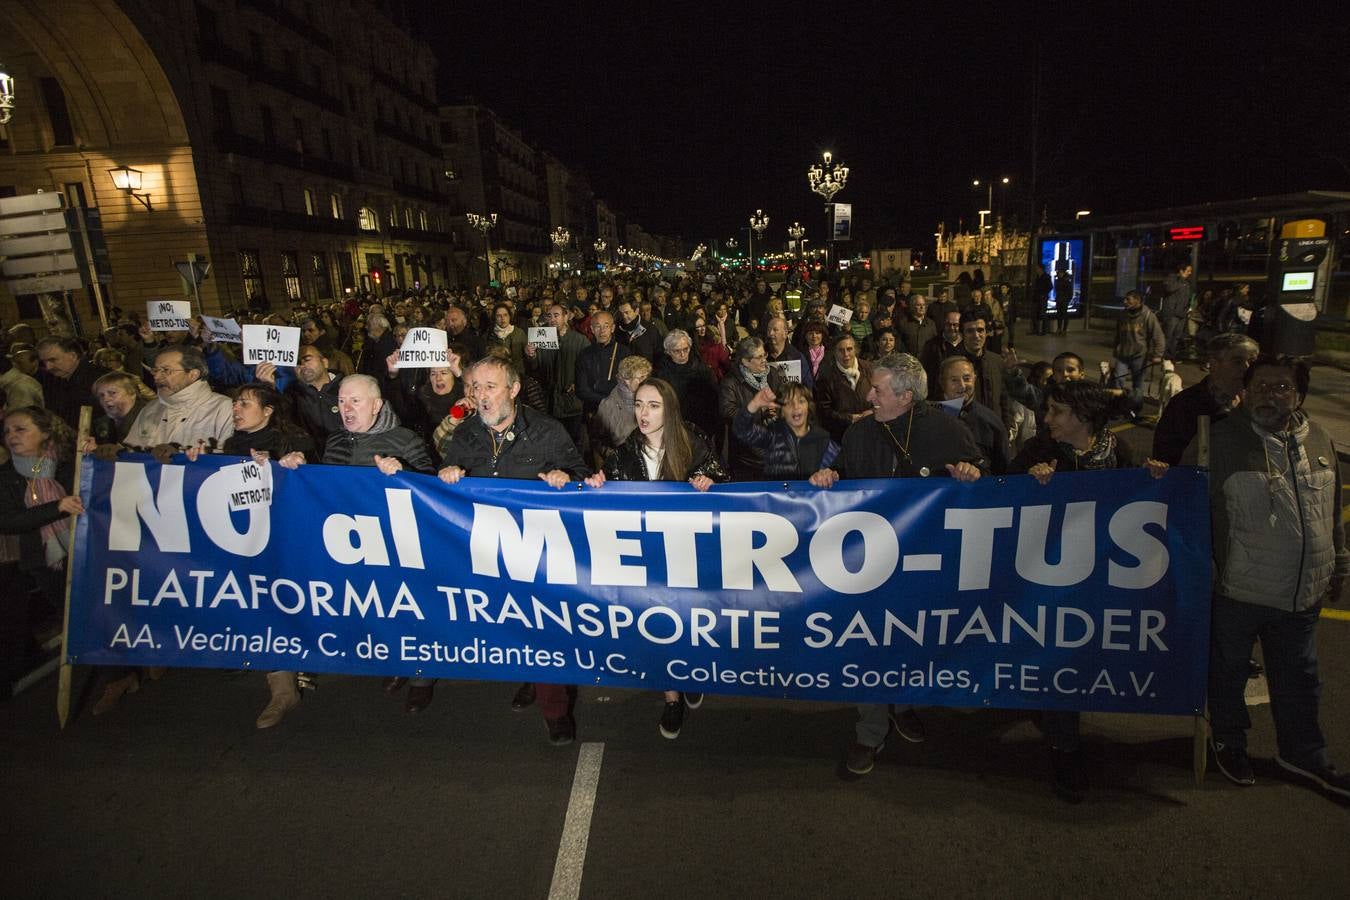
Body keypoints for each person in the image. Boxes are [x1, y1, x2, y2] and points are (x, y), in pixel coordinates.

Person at [809, 353, 983, 777]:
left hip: (924, 566)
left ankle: (902, 704)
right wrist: (829, 475)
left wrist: (971, 473)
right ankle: (870, 732)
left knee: (909, 640)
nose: (868, 395)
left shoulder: (948, 431)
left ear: (906, 397)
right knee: (868, 645)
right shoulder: (859, 434)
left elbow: (989, 480)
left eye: (878, 390)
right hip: (868, 565)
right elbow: (844, 474)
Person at [1183, 356, 1349, 799]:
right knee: (1227, 674)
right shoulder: (1216, 443)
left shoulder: (1320, 439)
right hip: (1238, 591)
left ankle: (1303, 755)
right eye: (1260, 386)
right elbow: (1183, 511)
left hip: (1303, 594)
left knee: (1299, 680)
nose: (1268, 396)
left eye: (1280, 388)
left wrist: (1340, 562)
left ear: (1298, 395)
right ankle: (1229, 742)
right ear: (1246, 389)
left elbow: (1331, 512)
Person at [1011, 380, 1169, 801]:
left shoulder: (1119, 456)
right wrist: (1027, 484)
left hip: (1098, 585)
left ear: (1082, 417)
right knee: (1059, 657)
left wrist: (1155, 481)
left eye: (1057, 412)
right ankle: (1065, 751)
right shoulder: (1037, 453)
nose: (1047, 420)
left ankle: (1056, 721)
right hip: (1047, 584)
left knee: (1077, 660)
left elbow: (1140, 504)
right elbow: (1001, 502)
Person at [438, 357, 590, 744]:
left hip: (537, 557)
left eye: (491, 387)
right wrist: (449, 473)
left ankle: (554, 709)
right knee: (509, 627)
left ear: (514, 389)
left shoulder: (547, 431)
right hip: (485, 555)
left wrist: (565, 477)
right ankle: (531, 677)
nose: (481, 396)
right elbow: (443, 477)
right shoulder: (465, 434)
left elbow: (581, 474)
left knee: (542, 629)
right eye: (475, 387)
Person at [584, 378, 729, 738]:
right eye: (638, 405)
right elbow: (611, 494)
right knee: (660, 627)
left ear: (669, 408)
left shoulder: (692, 440)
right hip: (647, 559)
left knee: (690, 622)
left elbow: (725, 481)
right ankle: (671, 698)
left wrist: (709, 481)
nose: (643, 413)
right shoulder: (625, 451)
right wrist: (600, 484)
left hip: (689, 554)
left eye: (652, 405)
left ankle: (691, 674)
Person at [189, 383, 316, 728]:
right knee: (260, 606)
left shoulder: (295, 441)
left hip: (287, 541)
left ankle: (304, 666)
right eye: (235, 403)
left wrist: (284, 466)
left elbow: (314, 487)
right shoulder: (231, 445)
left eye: (245, 403)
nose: (236, 409)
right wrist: (198, 465)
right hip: (248, 543)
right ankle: (282, 688)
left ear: (269, 410)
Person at [0, 407, 83, 688]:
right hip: (44, 558)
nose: (12, 436)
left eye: (20, 429)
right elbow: (8, 520)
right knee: (72, 612)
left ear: (45, 432)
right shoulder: (7, 474)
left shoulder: (70, 463)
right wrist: (57, 507)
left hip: (85, 549)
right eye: (7, 430)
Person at [1152, 333, 1259, 465]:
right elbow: (1166, 459)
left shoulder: (1255, 403)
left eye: (1253, 362)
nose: (1247, 368)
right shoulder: (1185, 405)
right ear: (1214, 365)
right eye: (1237, 362)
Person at [125, 345, 234, 458]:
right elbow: (131, 456)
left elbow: (227, 462)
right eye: (155, 370)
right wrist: (118, 452)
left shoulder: (223, 408)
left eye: (166, 370)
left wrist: (178, 457)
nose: (156, 377)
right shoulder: (150, 409)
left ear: (193, 374)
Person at [733, 382, 839, 481]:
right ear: (781, 412)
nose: (795, 407)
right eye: (788, 403)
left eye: (801, 401)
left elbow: (839, 469)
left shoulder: (822, 438)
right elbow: (741, 430)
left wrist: (830, 474)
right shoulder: (772, 434)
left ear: (808, 406)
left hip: (811, 499)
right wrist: (754, 404)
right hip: (778, 498)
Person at [719, 337, 783, 481]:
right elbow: (728, 413)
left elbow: (784, 400)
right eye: (759, 357)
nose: (764, 360)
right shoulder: (730, 382)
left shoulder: (773, 374)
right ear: (745, 361)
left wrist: (778, 411)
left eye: (764, 355)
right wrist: (758, 411)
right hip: (746, 458)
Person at [936, 356, 1007, 475]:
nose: (962, 386)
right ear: (942, 382)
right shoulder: (928, 418)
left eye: (967, 378)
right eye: (954, 380)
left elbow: (1003, 471)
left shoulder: (991, 422)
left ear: (975, 378)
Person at [35, 337, 110, 431]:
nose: (48, 367)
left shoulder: (102, 379)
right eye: (44, 362)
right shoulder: (54, 379)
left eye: (53, 360)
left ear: (73, 356)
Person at [591, 355, 651, 464]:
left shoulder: (653, 398)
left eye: (647, 377)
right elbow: (597, 441)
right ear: (627, 380)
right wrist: (616, 457)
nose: (646, 381)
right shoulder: (608, 405)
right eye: (641, 378)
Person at [814, 335, 873, 444]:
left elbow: (882, 397)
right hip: (842, 437)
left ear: (855, 350)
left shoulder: (870, 369)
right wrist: (849, 418)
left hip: (870, 432)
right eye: (841, 350)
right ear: (834, 352)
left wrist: (873, 412)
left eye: (849, 349)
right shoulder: (826, 377)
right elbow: (824, 412)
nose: (846, 354)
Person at [575, 310, 630, 418]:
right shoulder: (585, 354)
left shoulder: (624, 352)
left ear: (613, 328)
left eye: (606, 326)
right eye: (597, 326)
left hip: (619, 412)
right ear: (592, 329)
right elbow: (581, 389)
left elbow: (629, 386)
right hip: (593, 412)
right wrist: (606, 400)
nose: (602, 331)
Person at [1111, 290, 1165, 393]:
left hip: (1139, 355)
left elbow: (1158, 335)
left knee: (1138, 384)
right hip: (1123, 354)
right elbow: (1118, 333)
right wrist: (1115, 348)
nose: (1124, 301)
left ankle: (1136, 405)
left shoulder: (1148, 316)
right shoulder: (1123, 315)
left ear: (1138, 300)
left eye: (1128, 299)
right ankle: (1117, 403)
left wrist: (1158, 354)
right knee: (1118, 380)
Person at [1160, 262, 1193, 360]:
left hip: (1181, 314)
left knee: (1176, 337)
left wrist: (1187, 309)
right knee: (1168, 336)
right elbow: (1169, 288)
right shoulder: (1172, 279)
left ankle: (1171, 355)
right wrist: (1181, 279)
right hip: (1172, 314)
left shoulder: (1186, 282)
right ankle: (1163, 355)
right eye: (1188, 271)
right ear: (1181, 271)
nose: (1190, 273)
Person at [485, 302, 527, 374]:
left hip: (517, 374)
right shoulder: (488, 335)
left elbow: (528, 356)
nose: (502, 318)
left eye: (505, 315)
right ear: (494, 318)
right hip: (497, 374)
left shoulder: (519, 333)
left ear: (510, 316)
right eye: (499, 316)